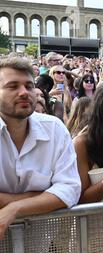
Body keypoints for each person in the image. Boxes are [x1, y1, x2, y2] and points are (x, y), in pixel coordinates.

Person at [0, 57, 81, 239]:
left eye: (29, 86)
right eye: (12, 86)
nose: (24, 93)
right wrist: (43, 196)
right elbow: (60, 192)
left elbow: (70, 189)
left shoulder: (54, 128)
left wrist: (15, 208)